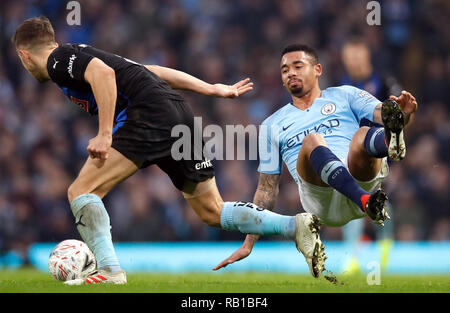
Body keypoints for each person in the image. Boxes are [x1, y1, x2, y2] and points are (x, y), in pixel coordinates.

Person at [12, 16, 323, 284]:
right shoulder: (82, 53)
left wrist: (105, 134)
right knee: (211, 211)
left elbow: (102, 76)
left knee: (81, 190)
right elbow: (153, 70)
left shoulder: (57, 60)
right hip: (177, 113)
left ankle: (109, 270)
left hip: (146, 115)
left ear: (25, 56)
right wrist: (212, 88)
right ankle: (294, 226)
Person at [213, 43, 418, 273]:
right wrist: (248, 243)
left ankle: (390, 142)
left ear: (318, 69)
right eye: (284, 70)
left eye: (298, 66)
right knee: (312, 140)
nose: (290, 72)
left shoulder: (345, 94)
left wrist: (403, 115)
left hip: (359, 177)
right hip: (321, 200)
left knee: (362, 134)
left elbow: (385, 113)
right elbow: (266, 189)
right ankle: (368, 195)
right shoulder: (272, 124)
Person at [339, 38, 402, 274]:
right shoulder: (342, 87)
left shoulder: (384, 83)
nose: (353, 62)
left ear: (366, 57)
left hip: (380, 150)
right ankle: (354, 255)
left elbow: (399, 117)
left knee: (374, 196)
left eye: (357, 56)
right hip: (353, 152)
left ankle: (384, 241)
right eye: (349, 57)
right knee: (354, 198)